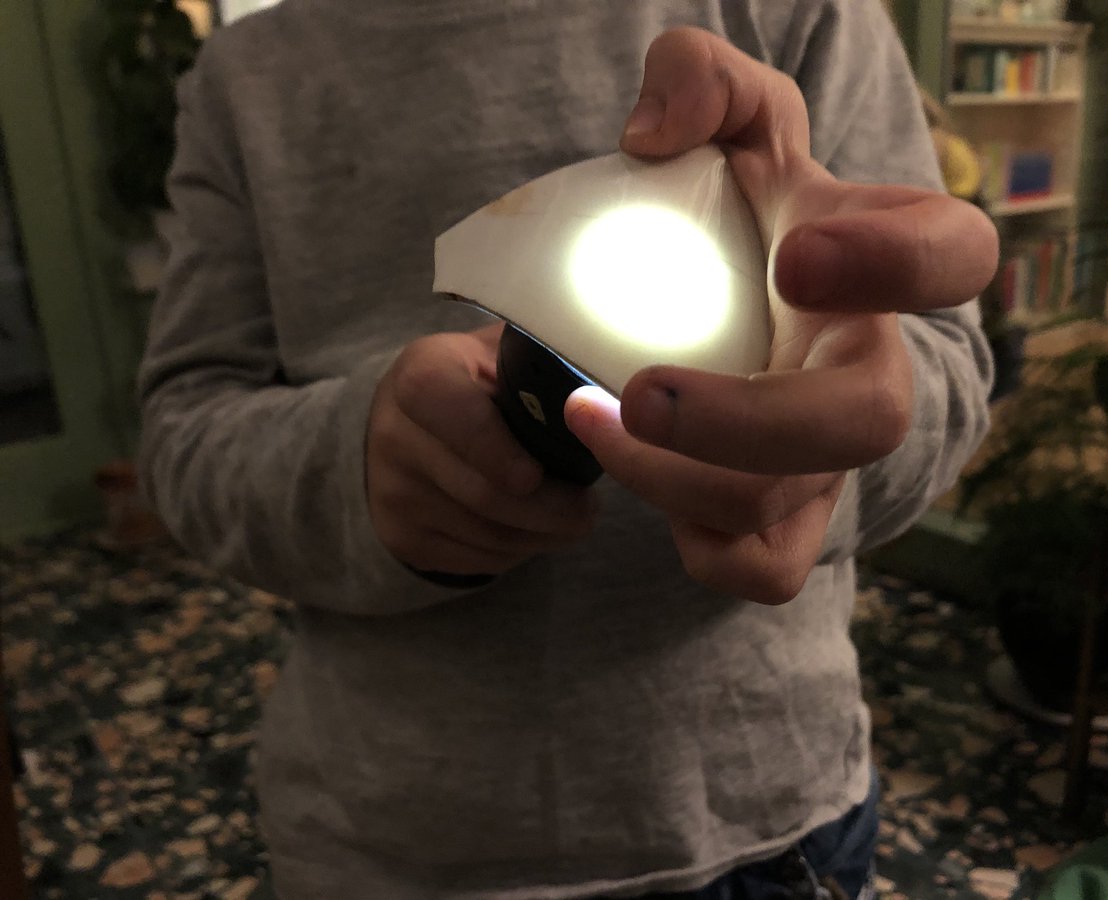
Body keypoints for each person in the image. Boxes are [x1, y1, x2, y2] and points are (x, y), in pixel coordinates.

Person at [136, 1, 998, 898]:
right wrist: (353, 468)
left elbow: (942, 369)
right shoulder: (248, 75)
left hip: (761, 822)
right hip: (392, 841)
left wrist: (821, 450)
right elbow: (185, 428)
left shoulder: (799, 12)